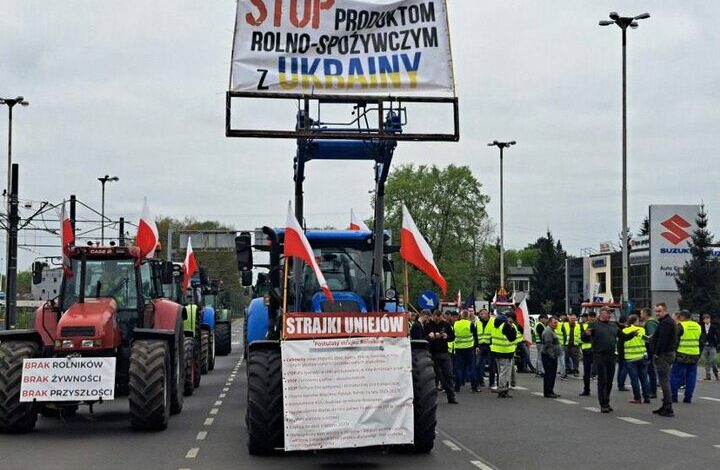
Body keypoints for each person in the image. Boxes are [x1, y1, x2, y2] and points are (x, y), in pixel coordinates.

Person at [583, 307, 619, 413]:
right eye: (607, 313)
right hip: (599, 355)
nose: (609, 315)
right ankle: (603, 403)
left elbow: (622, 336)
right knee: (602, 380)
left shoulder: (613, 325)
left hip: (611, 355)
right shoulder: (594, 324)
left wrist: (631, 334)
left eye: (610, 313)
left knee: (609, 381)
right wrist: (586, 334)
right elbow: (584, 338)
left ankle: (607, 400)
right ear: (601, 314)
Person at [650, 303, 677, 417]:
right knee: (663, 381)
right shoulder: (666, 322)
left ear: (665, 310)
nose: (657, 314)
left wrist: (656, 353)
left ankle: (668, 407)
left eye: (659, 311)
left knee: (664, 381)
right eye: (656, 311)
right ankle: (665, 405)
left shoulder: (666, 323)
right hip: (668, 353)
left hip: (664, 354)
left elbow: (663, 340)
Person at [425, 311, 458, 404]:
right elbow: (423, 337)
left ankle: (451, 396)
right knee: (433, 376)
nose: (437, 319)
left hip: (444, 352)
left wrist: (446, 336)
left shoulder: (446, 325)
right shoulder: (428, 325)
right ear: (433, 316)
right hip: (432, 353)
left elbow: (452, 337)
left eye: (439, 317)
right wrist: (429, 336)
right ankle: (432, 398)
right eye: (436, 317)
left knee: (448, 375)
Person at [671, 310, 701, 404]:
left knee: (676, 375)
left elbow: (675, 340)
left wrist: (673, 352)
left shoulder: (681, 326)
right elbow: (701, 340)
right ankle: (688, 397)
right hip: (694, 354)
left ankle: (673, 397)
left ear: (682, 317)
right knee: (691, 376)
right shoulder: (697, 326)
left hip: (681, 354)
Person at [622, 314, 651, 404]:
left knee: (634, 379)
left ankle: (637, 398)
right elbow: (647, 340)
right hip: (642, 357)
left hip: (630, 358)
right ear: (635, 321)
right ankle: (647, 397)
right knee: (644, 378)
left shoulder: (625, 331)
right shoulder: (641, 330)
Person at [490, 313, 518, 398]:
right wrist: (512, 328)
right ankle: (502, 389)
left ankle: (503, 389)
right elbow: (512, 337)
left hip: (496, 351)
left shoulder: (495, 325)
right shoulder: (505, 326)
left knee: (500, 371)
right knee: (505, 372)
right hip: (505, 352)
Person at [453, 310, 479, 393]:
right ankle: (474, 387)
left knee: (458, 368)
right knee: (472, 368)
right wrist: (476, 346)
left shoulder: (456, 324)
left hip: (458, 348)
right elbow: (475, 335)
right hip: (469, 348)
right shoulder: (470, 324)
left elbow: (454, 334)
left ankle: (457, 387)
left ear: (460, 316)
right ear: (467, 316)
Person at [640, 307, 659, 397]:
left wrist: (642, 337)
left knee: (651, 371)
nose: (640, 315)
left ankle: (652, 391)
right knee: (650, 371)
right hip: (651, 349)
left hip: (650, 350)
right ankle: (651, 390)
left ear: (645, 314)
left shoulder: (650, 323)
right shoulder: (651, 322)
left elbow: (652, 336)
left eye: (641, 313)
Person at [541, 316, 562, 398]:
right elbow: (548, 345)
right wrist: (552, 356)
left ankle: (550, 390)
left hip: (552, 355)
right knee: (549, 374)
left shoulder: (552, 330)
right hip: (548, 356)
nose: (556, 324)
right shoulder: (548, 331)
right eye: (555, 322)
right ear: (550, 322)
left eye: (557, 322)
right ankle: (548, 392)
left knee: (552, 374)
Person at [475, 309, 494, 388]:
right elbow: (476, 335)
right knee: (479, 365)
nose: (481, 315)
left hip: (490, 346)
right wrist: (476, 346)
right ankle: (480, 381)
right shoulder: (478, 323)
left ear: (488, 314)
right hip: (481, 346)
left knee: (491, 365)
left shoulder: (492, 322)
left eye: (483, 314)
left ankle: (491, 383)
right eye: (480, 314)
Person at [699, 313, 719, 381]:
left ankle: (716, 373)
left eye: (708, 319)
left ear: (710, 320)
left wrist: (717, 343)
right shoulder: (701, 327)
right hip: (705, 346)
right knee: (706, 361)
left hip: (712, 345)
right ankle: (708, 375)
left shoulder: (713, 327)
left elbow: (717, 336)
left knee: (713, 360)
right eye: (705, 319)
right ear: (703, 320)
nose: (707, 320)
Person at [579, 314, 594, 396]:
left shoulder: (596, 326)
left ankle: (587, 389)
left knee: (592, 371)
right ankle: (586, 389)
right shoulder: (582, 326)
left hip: (594, 350)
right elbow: (582, 337)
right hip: (587, 350)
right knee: (587, 372)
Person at [616, 316, 629, 391]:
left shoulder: (617, 327)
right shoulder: (625, 328)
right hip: (623, 349)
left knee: (620, 367)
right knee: (624, 367)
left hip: (619, 349)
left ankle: (620, 383)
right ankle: (621, 384)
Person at [557, 313, 568, 379]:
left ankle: (560, 372)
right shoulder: (562, 325)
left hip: (554, 345)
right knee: (562, 359)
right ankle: (563, 374)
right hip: (561, 344)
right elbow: (565, 335)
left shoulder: (552, 324)